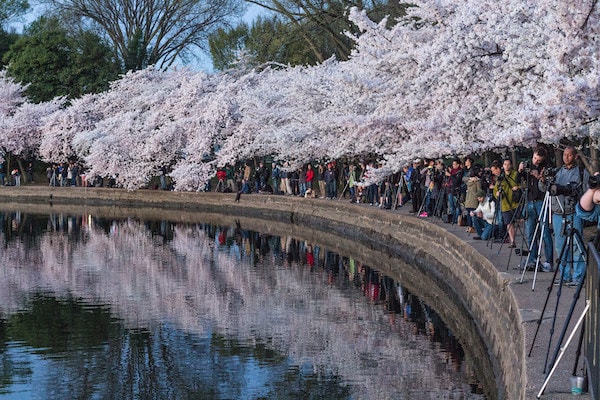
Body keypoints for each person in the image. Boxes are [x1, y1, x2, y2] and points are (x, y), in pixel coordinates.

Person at [539, 146, 587, 286]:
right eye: (564, 155)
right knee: (560, 246)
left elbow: (584, 191)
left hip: (573, 212)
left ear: (575, 156)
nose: (566, 157)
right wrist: (542, 180)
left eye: (569, 155)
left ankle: (578, 276)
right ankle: (564, 275)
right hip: (558, 213)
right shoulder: (558, 172)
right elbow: (545, 189)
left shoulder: (581, 172)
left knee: (576, 244)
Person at [517, 146, 553, 272]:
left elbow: (549, 183)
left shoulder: (547, 166)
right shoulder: (528, 164)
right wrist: (520, 171)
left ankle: (548, 261)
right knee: (530, 233)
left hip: (541, 201)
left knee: (545, 233)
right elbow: (518, 181)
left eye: (539, 160)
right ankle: (532, 259)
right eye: (535, 159)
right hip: (529, 200)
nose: (536, 162)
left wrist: (541, 177)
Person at [492, 159, 520, 247]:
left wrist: (518, 187)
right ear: (503, 166)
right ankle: (512, 241)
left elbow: (522, 184)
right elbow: (495, 190)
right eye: (505, 164)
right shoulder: (500, 177)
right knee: (509, 223)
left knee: (517, 221)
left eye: (508, 164)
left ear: (511, 165)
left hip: (515, 202)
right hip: (505, 203)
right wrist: (497, 194)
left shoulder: (515, 174)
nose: (506, 166)